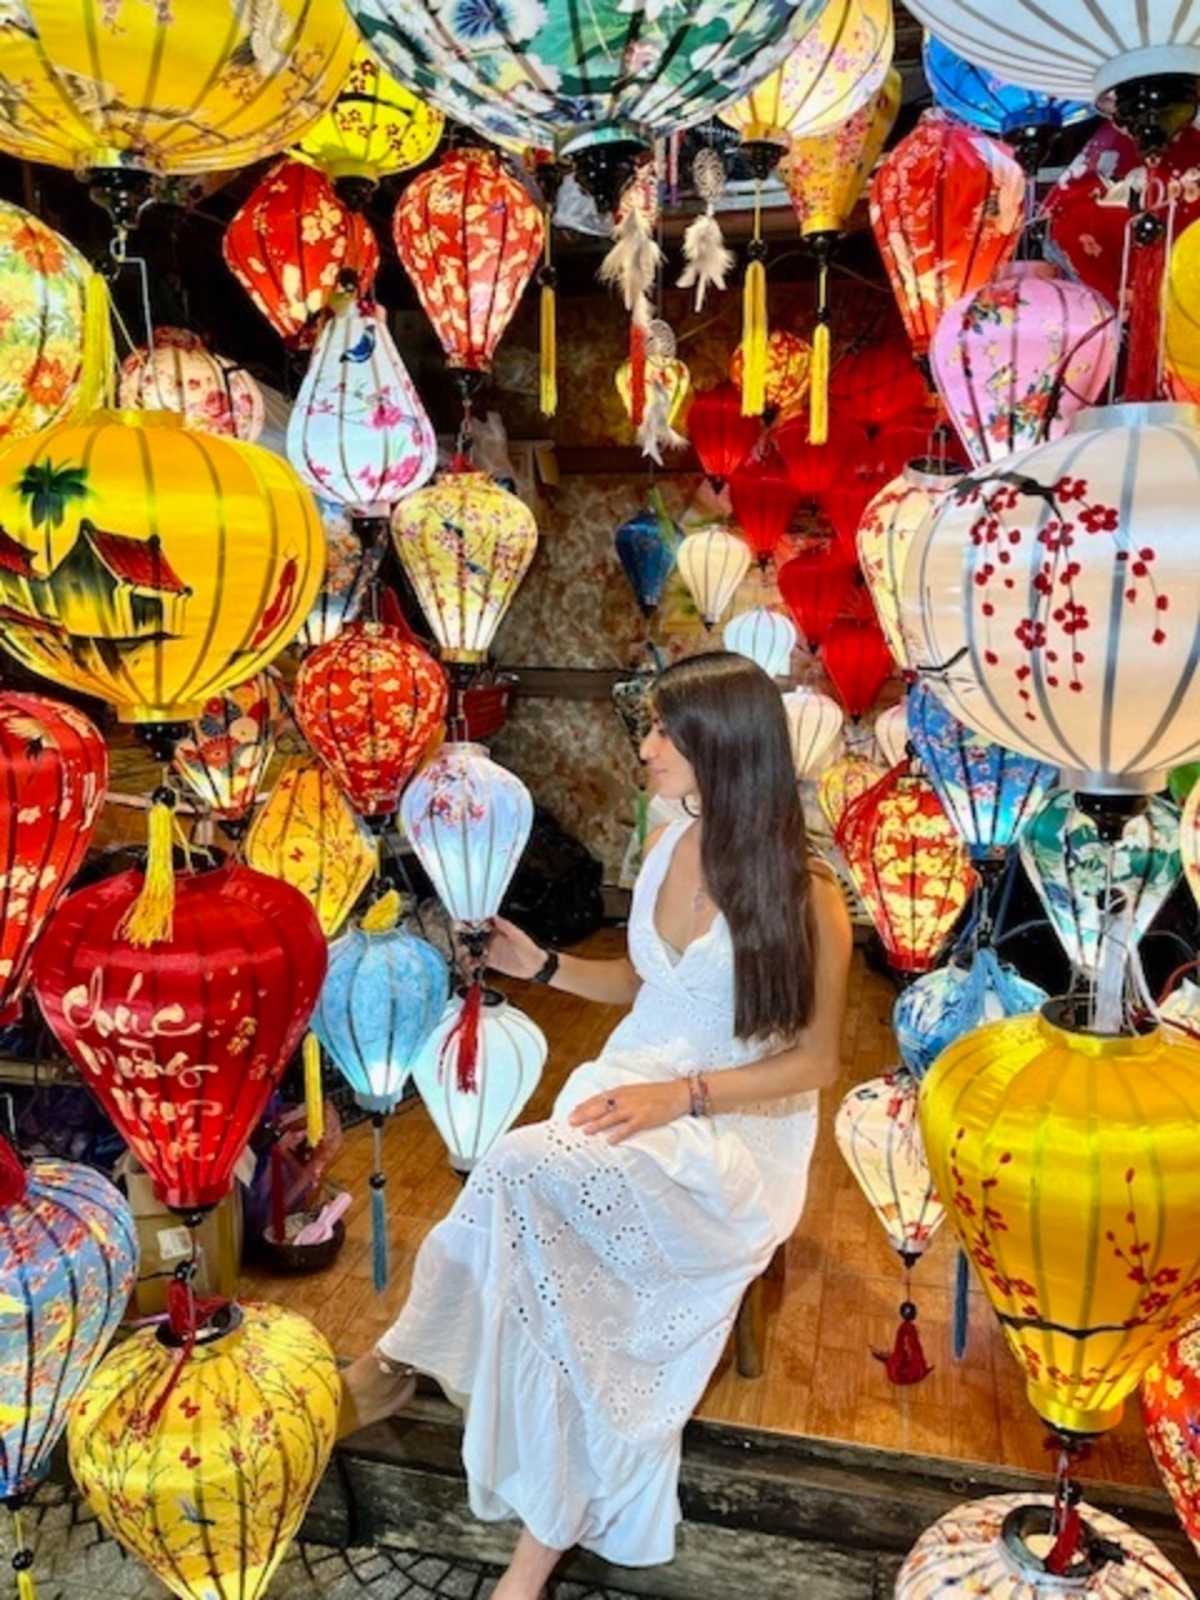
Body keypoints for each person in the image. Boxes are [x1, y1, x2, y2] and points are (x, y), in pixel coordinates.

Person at [338, 651, 852, 1598]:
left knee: (518, 1166)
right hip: (631, 1091)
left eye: (662, 731)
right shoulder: (667, 841)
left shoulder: (808, 890)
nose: (645, 747)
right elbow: (645, 984)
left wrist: (681, 1096)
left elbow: (817, 1062)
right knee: (538, 1214)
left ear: (720, 744)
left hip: (734, 1130)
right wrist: (540, 966)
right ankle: (527, 1518)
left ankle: (402, 1366)